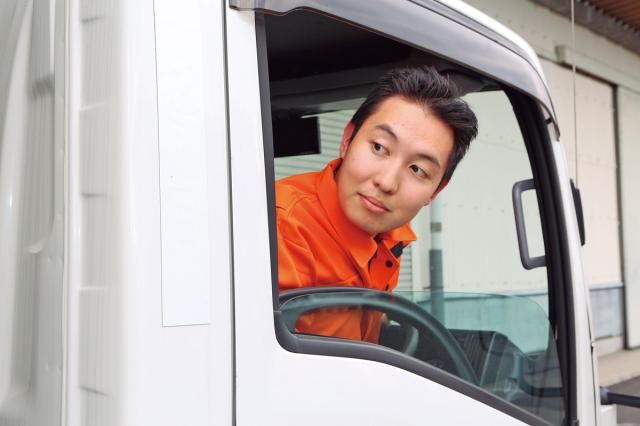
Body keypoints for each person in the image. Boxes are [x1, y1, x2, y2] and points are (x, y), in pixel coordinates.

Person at [276, 66, 478, 343]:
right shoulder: (283, 227)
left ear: (436, 190)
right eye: (379, 147)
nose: (386, 182)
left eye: (417, 169)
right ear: (347, 140)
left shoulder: (390, 237)